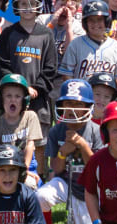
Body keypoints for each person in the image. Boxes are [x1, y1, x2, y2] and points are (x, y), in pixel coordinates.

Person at [39, 79, 102, 224]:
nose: (72, 109)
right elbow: (56, 168)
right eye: (68, 103)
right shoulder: (56, 131)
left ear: (88, 106)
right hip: (66, 182)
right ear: (61, 105)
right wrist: (63, 152)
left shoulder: (96, 131)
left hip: (90, 187)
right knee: (40, 197)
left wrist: (82, 145)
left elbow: (97, 169)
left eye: (78, 104)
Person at [0, 0, 57, 100]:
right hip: (13, 96)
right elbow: (2, 65)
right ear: (16, 5)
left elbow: (50, 68)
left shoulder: (46, 34)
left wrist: (37, 88)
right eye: (23, 3)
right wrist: (19, 86)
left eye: (32, 3)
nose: (28, 8)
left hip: (39, 97)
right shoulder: (8, 33)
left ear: (38, 5)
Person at [0, 142, 47, 224]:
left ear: (20, 172)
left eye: (13, 170)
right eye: (2, 170)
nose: (7, 176)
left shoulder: (28, 197)